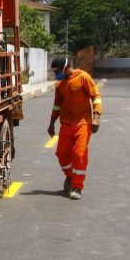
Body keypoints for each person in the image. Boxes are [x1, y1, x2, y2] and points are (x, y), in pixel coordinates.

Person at [47, 57, 102, 200]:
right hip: (66, 125)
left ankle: (77, 187)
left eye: (57, 71)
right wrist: (52, 123)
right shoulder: (60, 84)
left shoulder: (83, 77)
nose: (56, 74)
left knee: (79, 154)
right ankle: (71, 177)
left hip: (82, 124)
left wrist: (96, 117)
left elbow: (95, 96)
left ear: (65, 68)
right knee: (61, 153)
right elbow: (57, 105)